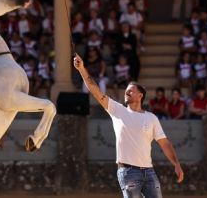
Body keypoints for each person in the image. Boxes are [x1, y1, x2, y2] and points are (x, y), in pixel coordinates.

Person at [73, 53, 184, 198]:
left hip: (149, 171)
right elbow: (95, 90)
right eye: (126, 90)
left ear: (140, 96)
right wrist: (82, 69)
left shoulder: (151, 118)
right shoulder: (117, 110)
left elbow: (164, 143)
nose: (127, 91)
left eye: (131, 90)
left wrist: (176, 163)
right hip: (128, 172)